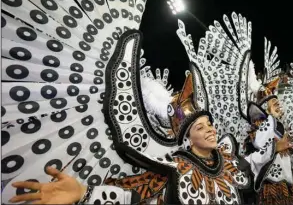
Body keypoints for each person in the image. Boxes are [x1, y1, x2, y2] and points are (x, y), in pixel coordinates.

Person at [9, 74, 251, 204]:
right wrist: (83, 193)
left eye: (209, 124)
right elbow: (133, 195)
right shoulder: (176, 168)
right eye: (200, 127)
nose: (210, 129)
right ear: (188, 138)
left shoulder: (229, 159)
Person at [244, 77, 293, 205]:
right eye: (273, 103)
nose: (278, 106)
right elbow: (261, 143)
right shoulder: (259, 129)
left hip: (284, 177)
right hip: (269, 180)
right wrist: (272, 117)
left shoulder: (278, 125)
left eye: (277, 103)